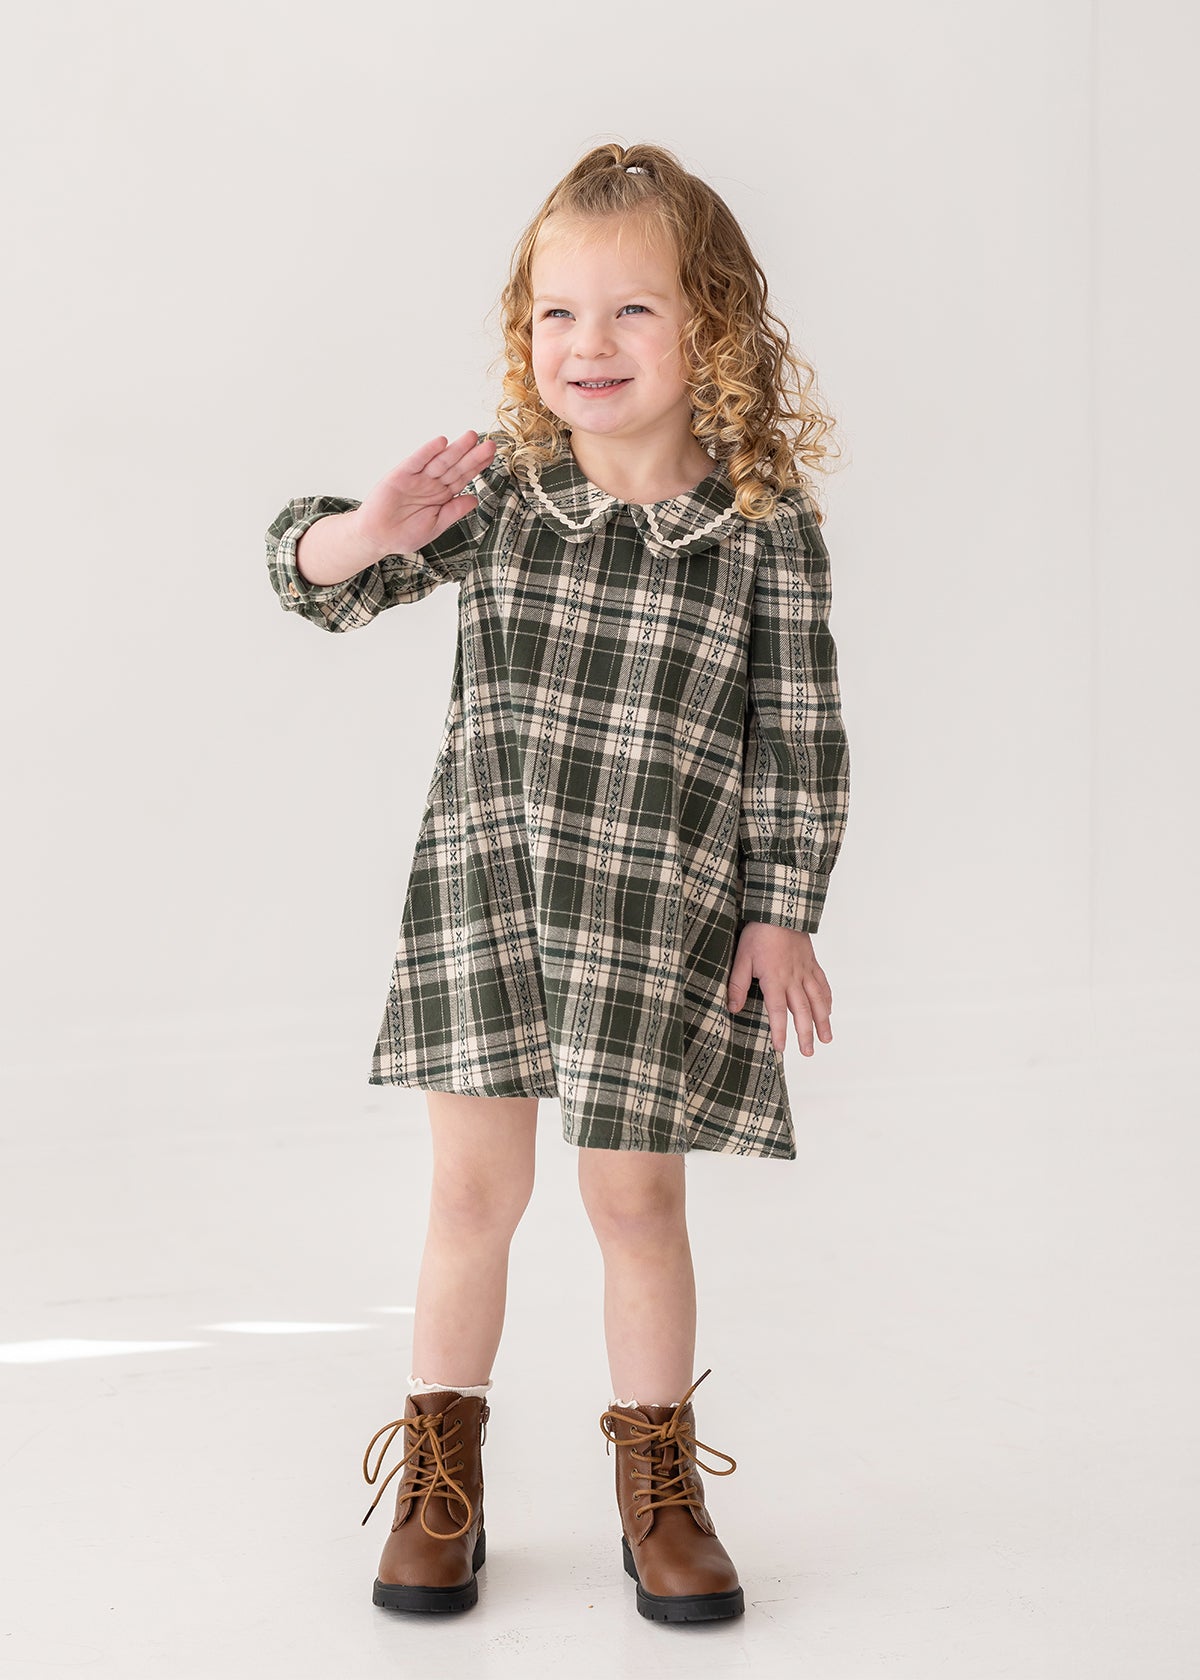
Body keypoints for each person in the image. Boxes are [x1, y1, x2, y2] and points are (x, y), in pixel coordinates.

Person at [264, 141, 851, 1625]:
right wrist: (368, 529)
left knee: (637, 1205)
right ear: (524, 337)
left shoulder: (762, 526)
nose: (587, 347)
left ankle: (660, 1487)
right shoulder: (509, 499)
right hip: (493, 898)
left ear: (710, 328)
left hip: (660, 916)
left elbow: (800, 734)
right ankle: (438, 1476)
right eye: (555, 316)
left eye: (632, 312)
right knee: (473, 1193)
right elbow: (313, 578)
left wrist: (782, 907)